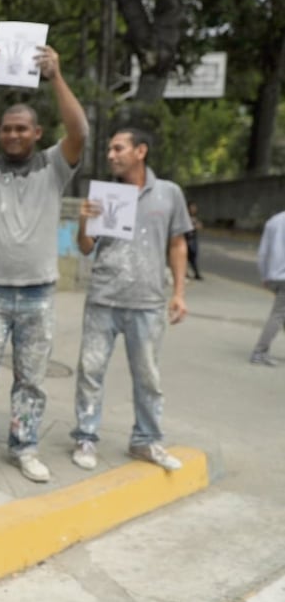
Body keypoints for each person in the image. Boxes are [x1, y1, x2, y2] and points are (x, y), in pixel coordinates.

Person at [0, 43, 88, 483]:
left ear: (37, 133)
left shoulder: (53, 168)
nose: (11, 135)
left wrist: (56, 77)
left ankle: (24, 446)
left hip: (39, 292)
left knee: (31, 379)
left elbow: (81, 131)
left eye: (21, 129)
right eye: (6, 128)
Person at [70, 127, 190, 472]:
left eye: (118, 148)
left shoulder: (169, 193)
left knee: (148, 376)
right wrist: (83, 223)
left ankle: (146, 440)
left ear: (141, 151)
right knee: (91, 371)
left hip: (149, 302)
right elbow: (86, 248)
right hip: (103, 299)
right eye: (109, 149)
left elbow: (177, 244)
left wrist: (179, 293)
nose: (110, 155)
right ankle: (86, 437)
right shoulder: (105, 197)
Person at [249, 210, 285, 367]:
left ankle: (260, 352)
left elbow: (263, 252)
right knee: (278, 314)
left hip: (274, 275)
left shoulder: (274, 220)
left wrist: (264, 275)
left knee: (281, 312)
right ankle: (259, 352)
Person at [186, 201, 203, 280]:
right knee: (186, 257)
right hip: (186, 239)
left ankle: (196, 273)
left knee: (193, 257)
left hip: (193, 239)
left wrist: (195, 226)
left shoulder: (195, 217)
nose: (194, 209)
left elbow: (199, 227)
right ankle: (185, 273)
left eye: (194, 207)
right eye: (192, 207)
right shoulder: (185, 217)